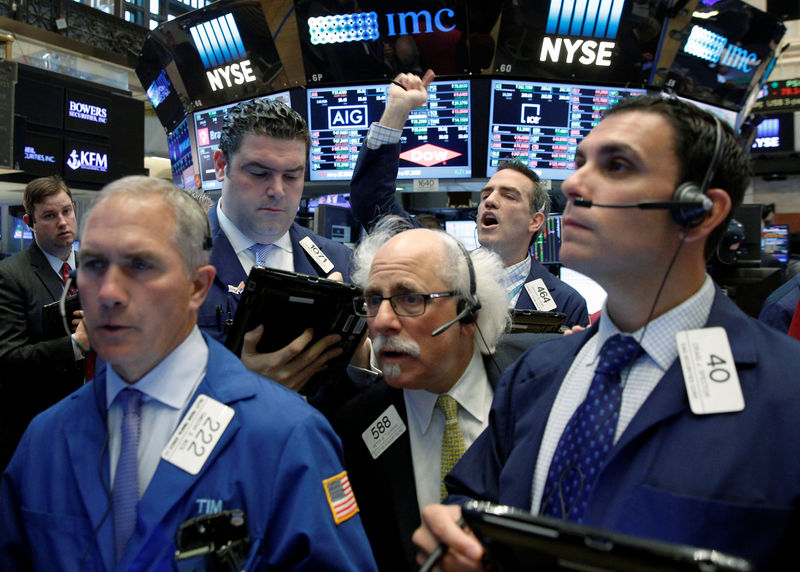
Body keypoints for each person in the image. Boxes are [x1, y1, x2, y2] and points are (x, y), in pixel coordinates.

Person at [413, 96, 800, 571]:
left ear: (701, 211)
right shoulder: (537, 372)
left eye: (616, 165)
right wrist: (455, 531)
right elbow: (471, 496)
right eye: (579, 163)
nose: (574, 183)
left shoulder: (788, 393)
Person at [0, 177, 377, 571]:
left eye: (140, 265)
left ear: (198, 287)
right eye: (94, 264)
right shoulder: (46, 439)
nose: (110, 292)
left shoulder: (287, 434)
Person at [324, 215, 556, 571]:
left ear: (468, 312)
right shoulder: (352, 428)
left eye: (411, 298)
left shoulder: (545, 381)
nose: (382, 321)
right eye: (373, 301)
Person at [349, 71, 589, 327]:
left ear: (535, 220)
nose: (490, 201)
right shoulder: (442, 263)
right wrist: (397, 110)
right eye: (486, 194)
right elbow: (372, 200)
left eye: (508, 195)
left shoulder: (566, 303)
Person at [198, 98, 354, 388]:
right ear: (221, 166)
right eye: (259, 173)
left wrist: (363, 358)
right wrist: (240, 387)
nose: (278, 191)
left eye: (292, 176)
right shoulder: (176, 261)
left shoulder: (340, 263)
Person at [0, 176, 89, 470]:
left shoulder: (98, 268)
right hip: (38, 429)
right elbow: (9, 357)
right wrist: (77, 344)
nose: (62, 222)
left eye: (66, 211)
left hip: (94, 422)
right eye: (50, 216)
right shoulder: (11, 276)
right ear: (30, 221)